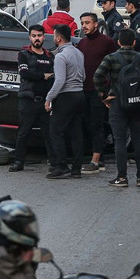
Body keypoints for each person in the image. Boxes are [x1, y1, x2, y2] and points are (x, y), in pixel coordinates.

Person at [93, 28, 140, 188]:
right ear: (134, 42)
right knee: (138, 139)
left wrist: (104, 96)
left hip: (117, 103)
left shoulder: (111, 58)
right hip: (138, 104)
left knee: (119, 140)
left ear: (118, 42)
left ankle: (121, 177)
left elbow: (97, 76)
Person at [9, 25, 55, 173]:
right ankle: (18, 162)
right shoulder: (24, 54)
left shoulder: (50, 56)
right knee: (23, 133)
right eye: (34, 36)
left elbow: (53, 76)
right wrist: (43, 76)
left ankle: (54, 162)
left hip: (45, 101)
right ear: (29, 37)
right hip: (28, 100)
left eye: (39, 36)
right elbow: (24, 74)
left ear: (44, 37)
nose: (37, 39)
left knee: (49, 133)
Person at [76, 12, 117, 174]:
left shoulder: (107, 42)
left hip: (99, 91)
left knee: (97, 124)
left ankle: (96, 160)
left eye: (87, 23)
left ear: (95, 24)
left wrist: (110, 90)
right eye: (82, 23)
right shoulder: (82, 43)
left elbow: (115, 66)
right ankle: (99, 157)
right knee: (87, 124)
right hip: (83, 90)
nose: (84, 26)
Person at [45, 24, 86, 179]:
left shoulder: (60, 56)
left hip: (66, 96)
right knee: (76, 132)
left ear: (58, 38)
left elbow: (60, 80)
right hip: (79, 94)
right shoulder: (79, 53)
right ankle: (76, 169)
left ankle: (61, 166)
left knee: (56, 131)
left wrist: (49, 98)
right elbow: (83, 77)